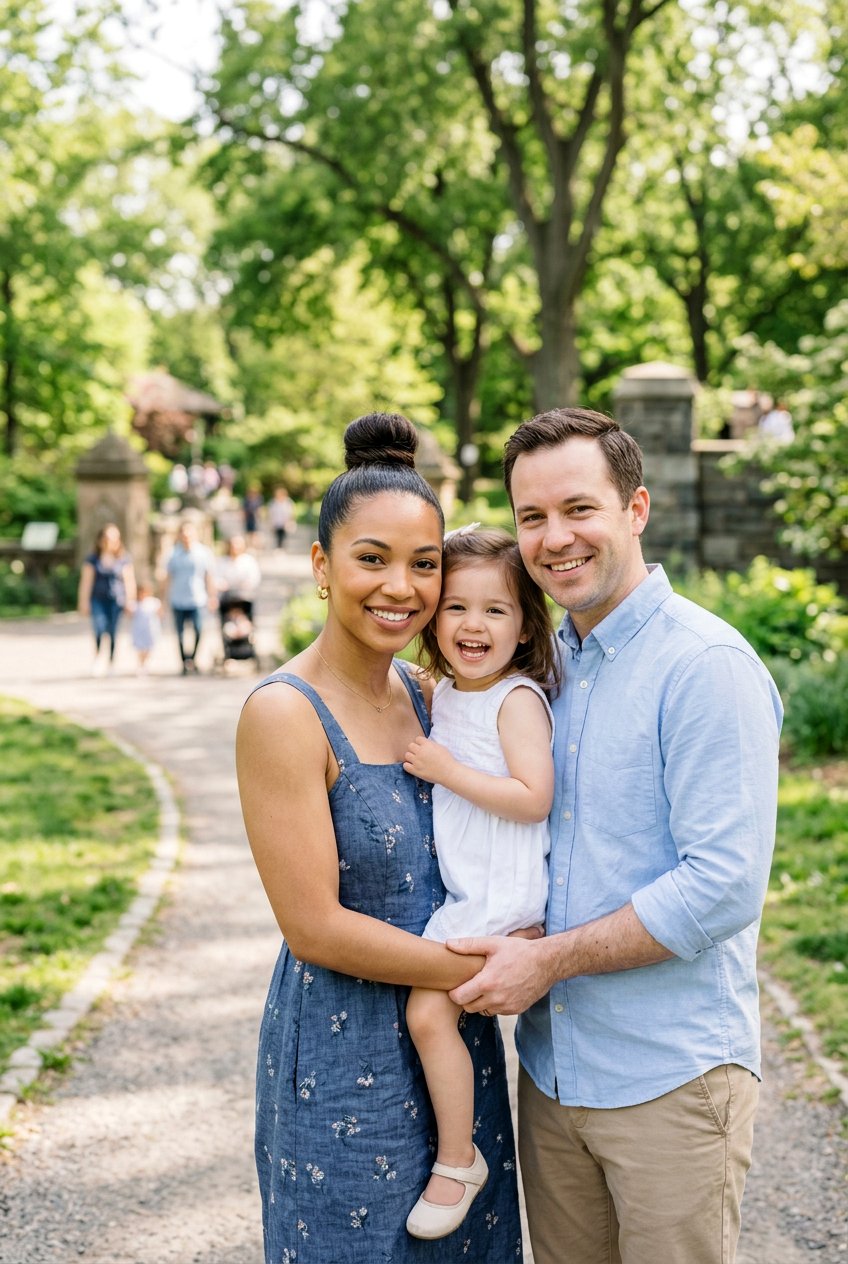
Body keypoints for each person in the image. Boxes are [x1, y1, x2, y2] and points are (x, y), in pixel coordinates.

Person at [446, 407, 783, 1264]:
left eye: (578, 508)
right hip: (553, 1073)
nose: (554, 538)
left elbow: (722, 886)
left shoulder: (705, 667)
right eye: (531, 516)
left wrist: (547, 961)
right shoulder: (543, 667)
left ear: (636, 509)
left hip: (670, 1080)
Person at [235, 413, 523, 1263]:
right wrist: (486, 971)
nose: (402, 586)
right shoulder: (284, 714)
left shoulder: (431, 694)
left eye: (424, 563)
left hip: (455, 1050)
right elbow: (314, 927)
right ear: (321, 565)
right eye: (372, 558)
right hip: (343, 1052)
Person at [401, 526, 557, 1240]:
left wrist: (448, 771)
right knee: (436, 1016)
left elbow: (533, 797)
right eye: (457, 607)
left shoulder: (515, 699)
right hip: (473, 889)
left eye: (495, 610)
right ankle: (459, 1150)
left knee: (428, 1014)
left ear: (524, 626)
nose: (474, 624)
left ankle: (458, 1159)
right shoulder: (447, 694)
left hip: (498, 893)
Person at [76, 522, 136, 675]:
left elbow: (129, 581)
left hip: (116, 600)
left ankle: (111, 662)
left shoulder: (123, 558)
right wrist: (83, 601)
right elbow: (86, 582)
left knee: (113, 631)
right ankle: (97, 657)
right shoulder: (93, 559)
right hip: (98, 599)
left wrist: (130, 601)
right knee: (99, 628)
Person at [161, 519, 218, 674]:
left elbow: (209, 576)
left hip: (197, 599)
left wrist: (212, 596)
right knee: (179, 634)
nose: (186, 535)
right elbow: (167, 578)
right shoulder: (172, 554)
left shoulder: (204, 553)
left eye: (189, 532)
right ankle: (184, 662)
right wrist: (163, 600)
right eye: (183, 532)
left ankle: (192, 659)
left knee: (198, 630)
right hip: (178, 599)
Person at [130, 581, 162, 675]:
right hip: (139, 630)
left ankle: (145, 664)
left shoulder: (153, 602)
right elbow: (129, 614)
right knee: (140, 648)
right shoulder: (136, 604)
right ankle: (141, 664)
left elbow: (160, 613)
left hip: (150, 630)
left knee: (149, 647)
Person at [267, 485, 296, 549]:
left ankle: (282, 547)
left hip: (285, 522)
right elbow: (271, 513)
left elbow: (291, 512)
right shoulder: (273, 502)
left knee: (283, 535)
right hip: (277, 522)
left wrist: (291, 521)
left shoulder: (288, 502)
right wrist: (270, 522)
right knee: (277, 535)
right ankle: (279, 547)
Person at [242, 483, 264, 548]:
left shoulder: (258, 499)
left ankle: (255, 544)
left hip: (255, 517)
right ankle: (249, 544)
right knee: (248, 532)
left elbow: (259, 508)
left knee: (255, 531)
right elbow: (244, 508)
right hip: (248, 517)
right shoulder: (246, 499)